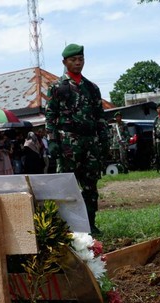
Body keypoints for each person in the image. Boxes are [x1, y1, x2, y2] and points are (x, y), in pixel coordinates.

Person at [45, 43, 110, 234]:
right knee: (66, 186)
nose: (78, 63)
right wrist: (53, 141)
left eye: (80, 59)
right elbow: (50, 116)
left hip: (90, 143)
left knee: (90, 186)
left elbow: (100, 116)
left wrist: (104, 140)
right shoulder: (57, 87)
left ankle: (90, 223)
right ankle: (66, 225)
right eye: (73, 60)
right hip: (67, 145)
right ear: (65, 62)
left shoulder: (92, 88)